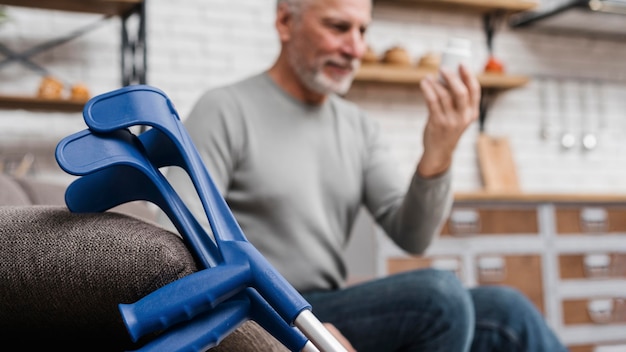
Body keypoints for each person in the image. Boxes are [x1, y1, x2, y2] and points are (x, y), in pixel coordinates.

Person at [160, 0, 568, 351]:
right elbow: (183, 243)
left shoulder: (359, 126)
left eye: (362, 30)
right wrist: (288, 320)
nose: (356, 47)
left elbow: (413, 236)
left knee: (506, 309)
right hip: (266, 304)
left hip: (329, 305)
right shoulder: (225, 109)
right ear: (286, 22)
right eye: (338, 27)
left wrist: (438, 152)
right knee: (439, 295)